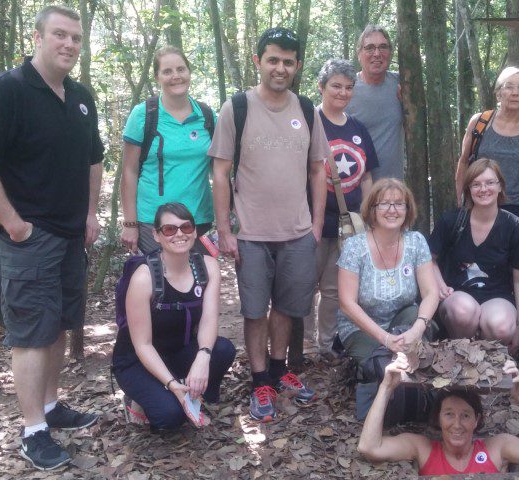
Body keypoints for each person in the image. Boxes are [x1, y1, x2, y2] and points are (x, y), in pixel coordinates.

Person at [0, 5, 103, 470]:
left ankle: (49, 406)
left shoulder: (81, 97)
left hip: (69, 236)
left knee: (59, 324)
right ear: (38, 36)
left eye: (76, 38)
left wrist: (89, 213)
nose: (69, 45)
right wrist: (14, 224)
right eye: (60, 35)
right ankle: (32, 430)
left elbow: (93, 159)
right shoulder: (6, 91)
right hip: (24, 238)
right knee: (30, 332)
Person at [208, 27, 330, 423]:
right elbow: (221, 172)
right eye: (273, 59)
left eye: (288, 61)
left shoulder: (307, 110)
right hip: (252, 234)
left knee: (288, 308)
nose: (280, 67)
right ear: (258, 61)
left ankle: (280, 371)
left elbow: (317, 171)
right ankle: (260, 379)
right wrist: (226, 230)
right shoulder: (237, 108)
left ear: (297, 66)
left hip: (296, 232)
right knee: (255, 311)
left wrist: (314, 226)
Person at [112, 203, 236, 431]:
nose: (179, 234)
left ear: (195, 231)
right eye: (169, 229)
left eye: (186, 227)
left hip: (179, 349)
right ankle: (140, 399)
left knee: (222, 350)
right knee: (169, 418)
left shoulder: (208, 267)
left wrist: (202, 357)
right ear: (156, 236)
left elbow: (209, 319)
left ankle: (194, 396)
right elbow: (143, 345)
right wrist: (171, 383)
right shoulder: (144, 277)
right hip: (138, 360)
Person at [358, 353, 519, 474]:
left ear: (477, 420)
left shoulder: (497, 448)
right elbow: (369, 448)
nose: (457, 424)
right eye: (449, 414)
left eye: (465, 415)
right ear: (438, 418)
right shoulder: (423, 449)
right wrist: (386, 388)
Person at [303, 58, 378, 357]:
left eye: (348, 87)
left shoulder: (358, 129)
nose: (342, 93)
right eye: (336, 86)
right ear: (321, 88)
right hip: (312, 219)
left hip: (350, 223)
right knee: (306, 284)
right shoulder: (309, 123)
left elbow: (368, 176)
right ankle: (305, 344)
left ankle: (327, 343)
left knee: (335, 288)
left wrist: (370, 216)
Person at [429, 159, 519, 353]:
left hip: (497, 296)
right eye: (476, 184)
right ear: (468, 189)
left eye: (489, 183)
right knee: (463, 311)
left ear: (500, 186)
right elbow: (429, 259)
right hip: (457, 296)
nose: (483, 189)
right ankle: (461, 356)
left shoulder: (516, 227)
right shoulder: (452, 221)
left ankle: (489, 362)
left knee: (501, 326)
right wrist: (440, 285)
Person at [120, 46, 215, 254]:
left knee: (200, 284)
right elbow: (129, 171)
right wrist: (130, 224)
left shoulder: (207, 116)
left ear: (189, 72)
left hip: (198, 221)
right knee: (160, 284)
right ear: (157, 77)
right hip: (154, 223)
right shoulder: (143, 114)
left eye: (181, 69)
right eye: (167, 71)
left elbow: (222, 171)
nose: (176, 76)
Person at [336, 179, 438, 366]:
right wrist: (385, 338)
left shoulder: (416, 241)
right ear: (372, 209)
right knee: (385, 366)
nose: (392, 210)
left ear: (407, 209)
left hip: (403, 321)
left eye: (399, 204)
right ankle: (366, 376)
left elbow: (431, 293)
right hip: (361, 329)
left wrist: (416, 330)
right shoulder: (355, 246)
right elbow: (346, 304)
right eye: (384, 203)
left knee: (415, 361)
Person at [455, 66, 519, 227]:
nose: (515, 92)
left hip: (515, 206)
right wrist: (459, 199)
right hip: (478, 201)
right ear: (498, 94)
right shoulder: (480, 122)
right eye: (509, 86)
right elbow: (463, 162)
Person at [345, 25, 404, 180]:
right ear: (359, 54)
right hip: (355, 187)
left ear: (390, 52)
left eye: (383, 47)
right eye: (370, 48)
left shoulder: (402, 84)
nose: (377, 54)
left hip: (392, 189)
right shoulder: (346, 89)